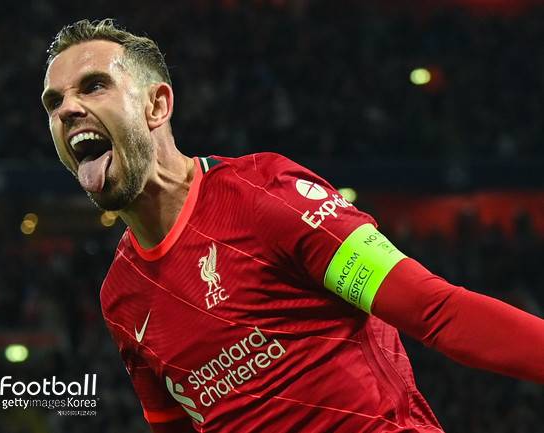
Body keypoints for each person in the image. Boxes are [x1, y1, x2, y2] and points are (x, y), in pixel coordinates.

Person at [41, 19, 544, 433]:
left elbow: (436, 311)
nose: (67, 110)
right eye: (54, 102)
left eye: (94, 86)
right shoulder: (122, 298)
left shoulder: (265, 193)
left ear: (156, 105)